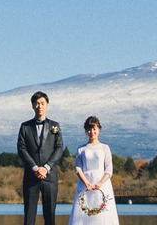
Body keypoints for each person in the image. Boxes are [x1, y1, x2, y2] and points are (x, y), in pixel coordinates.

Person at [17, 91, 64, 225]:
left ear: (47, 105)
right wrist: (35, 168)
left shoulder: (55, 126)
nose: (40, 106)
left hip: (50, 177)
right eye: (37, 103)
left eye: (42, 103)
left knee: (50, 215)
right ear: (32, 106)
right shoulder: (25, 127)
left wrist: (46, 167)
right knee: (29, 215)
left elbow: (59, 148)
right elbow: (21, 149)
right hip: (31, 176)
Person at [70, 116, 119, 225]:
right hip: (84, 184)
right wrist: (86, 182)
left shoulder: (105, 148)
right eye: (89, 129)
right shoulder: (81, 149)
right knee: (83, 214)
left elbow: (109, 169)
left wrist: (100, 183)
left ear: (99, 129)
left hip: (102, 184)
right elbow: (78, 168)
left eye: (94, 129)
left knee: (103, 214)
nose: (92, 132)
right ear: (86, 131)